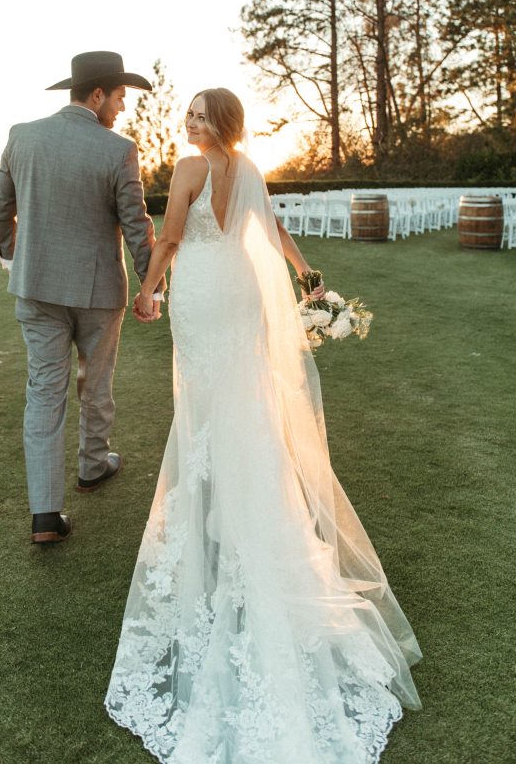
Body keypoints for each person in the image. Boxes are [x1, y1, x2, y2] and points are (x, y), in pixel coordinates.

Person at [106, 88, 422, 763]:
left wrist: (150, 288)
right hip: (242, 291)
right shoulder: (248, 168)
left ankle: (225, 525)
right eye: (189, 113)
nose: (189, 122)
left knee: (209, 409)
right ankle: (251, 517)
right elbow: (274, 232)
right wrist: (308, 274)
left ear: (219, 122)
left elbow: (170, 238)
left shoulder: (190, 168)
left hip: (202, 292)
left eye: (199, 114)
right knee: (243, 404)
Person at [0, 51, 162, 545]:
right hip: (97, 293)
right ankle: (92, 467)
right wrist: (151, 286)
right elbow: (136, 226)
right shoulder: (118, 150)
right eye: (121, 97)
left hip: (36, 288)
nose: (123, 108)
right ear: (98, 94)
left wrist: (13, 257)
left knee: (44, 392)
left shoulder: (21, 136)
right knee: (96, 382)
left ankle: (45, 515)